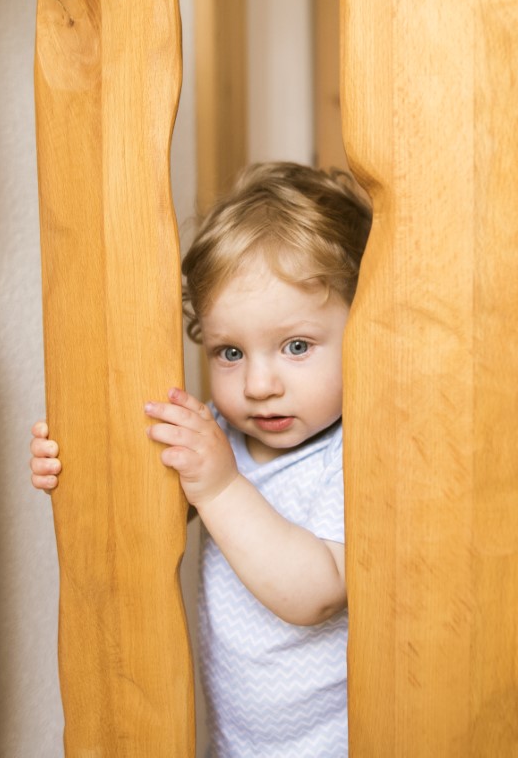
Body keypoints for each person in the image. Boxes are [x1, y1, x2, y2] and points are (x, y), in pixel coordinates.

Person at [29, 161, 372, 757]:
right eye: (230, 351)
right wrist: (71, 466)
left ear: (366, 330)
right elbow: (143, 505)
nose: (260, 383)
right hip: (236, 735)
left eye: (296, 346)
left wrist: (218, 488)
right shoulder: (221, 431)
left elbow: (316, 592)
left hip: (331, 742)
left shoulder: (356, 450)